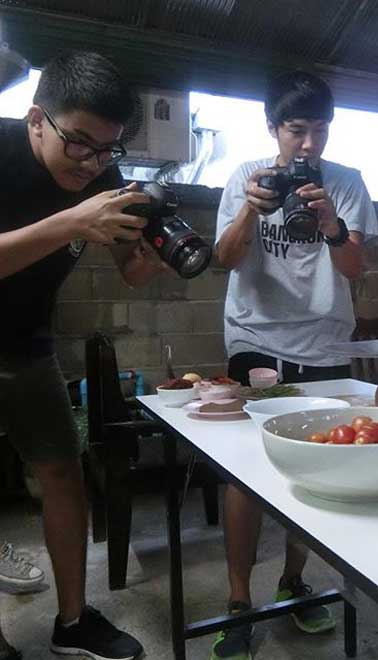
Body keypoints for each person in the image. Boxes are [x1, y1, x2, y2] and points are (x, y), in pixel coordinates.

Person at [0, 50, 167, 660]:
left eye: (108, 149)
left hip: (27, 344)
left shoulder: (97, 177)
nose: (94, 162)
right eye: (80, 143)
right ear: (37, 118)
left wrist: (148, 254)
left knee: (65, 473)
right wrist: (72, 221)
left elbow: (132, 273)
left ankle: (72, 622)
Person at [213, 70, 378, 659]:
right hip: (255, 336)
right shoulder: (244, 177)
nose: (309, 144)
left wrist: (333, 223)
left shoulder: (349, 183)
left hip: (327, 344)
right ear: (273, 129)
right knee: (243, 469)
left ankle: (293, 579)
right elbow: (224, 260)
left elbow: (355, 269)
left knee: (317, 467)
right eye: (297, 130)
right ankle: (238, 601)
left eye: (320, 130)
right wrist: (250, 212)